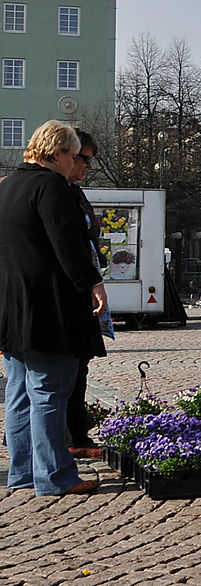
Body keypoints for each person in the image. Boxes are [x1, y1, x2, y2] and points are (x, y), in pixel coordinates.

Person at [0, 120, 107, 495]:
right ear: (59, 153)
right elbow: (67, 246)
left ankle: (24, 472)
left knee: (18, 392)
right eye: (74, 155)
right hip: (49, 307)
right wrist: (92, 283)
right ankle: (56, 477)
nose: (75, 162)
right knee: (49, 391)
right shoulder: (52, 187)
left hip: (11, 307)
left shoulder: (8, 185)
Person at [65, 129, 109, 458]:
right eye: (86, 159)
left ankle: (76, 433)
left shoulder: (75, 192)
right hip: (70, 293)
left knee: (78, 369)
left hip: (82, 291)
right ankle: (70, 437)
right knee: (63, 375)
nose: (87, 166)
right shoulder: (58, 193)